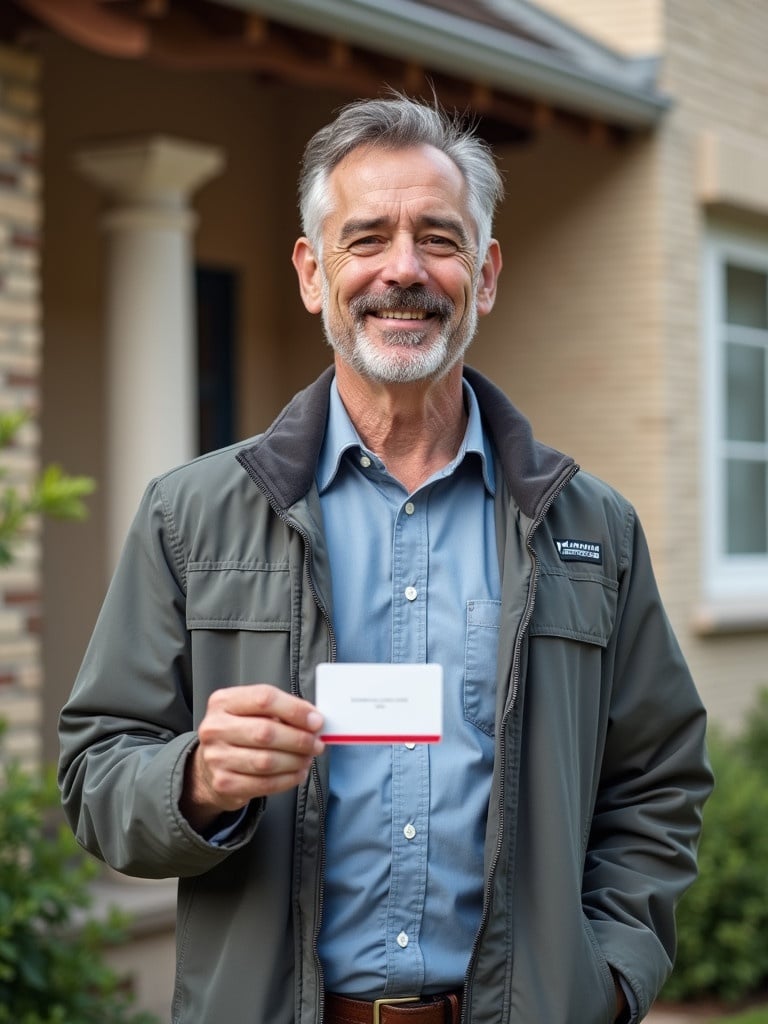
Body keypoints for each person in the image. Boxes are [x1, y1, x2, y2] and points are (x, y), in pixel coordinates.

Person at [58, 94, 712, 1024]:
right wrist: (197, 780)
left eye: (438, 239)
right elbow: (96, 776)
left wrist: (606, 977)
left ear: (483, 275)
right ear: (312, 273)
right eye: (365, 238)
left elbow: (659, 775)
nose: (402, 270)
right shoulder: (191, 515)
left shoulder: (590, 527)